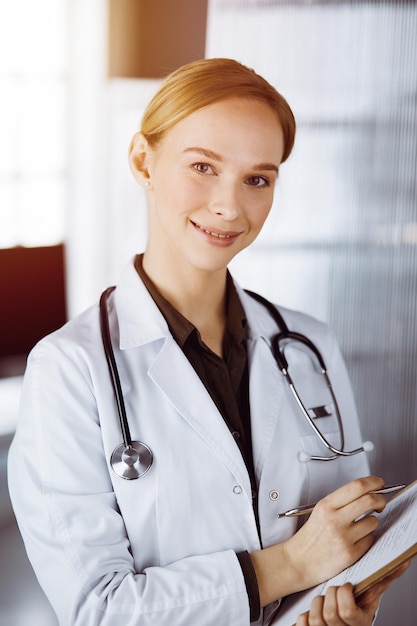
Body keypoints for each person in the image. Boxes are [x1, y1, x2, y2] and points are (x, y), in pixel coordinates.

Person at [8, 58, 408, 626]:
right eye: (203, 166)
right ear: (143, 161)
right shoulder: (70, 370)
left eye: (257, 179)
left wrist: (348, 602)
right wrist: (291, 564)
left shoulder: (308, 346)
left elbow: (343, 549)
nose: (229, 206)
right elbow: (101, 609)